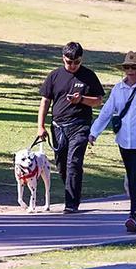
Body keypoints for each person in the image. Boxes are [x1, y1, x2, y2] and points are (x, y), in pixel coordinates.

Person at [89, 51, 136, 233]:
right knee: (131, 176)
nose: (131, 71)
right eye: (128, 67)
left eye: (135, 68)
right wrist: (94, 132)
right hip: (124, 139)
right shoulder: (118, 89)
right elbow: (106, 112)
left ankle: (133, 214)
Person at [37, 42, 104, 213]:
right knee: (62, 165)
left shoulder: (89, 76)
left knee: (74, 162)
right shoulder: (54, 76)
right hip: (58, 127)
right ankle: (71, 193)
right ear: (63, 58)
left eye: (77, 62)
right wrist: (40, 127)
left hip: (80, 126)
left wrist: (81, 99)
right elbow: (45, 101)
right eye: (69, 62)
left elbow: (98, 101)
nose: (73, 66)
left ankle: (71, 204)